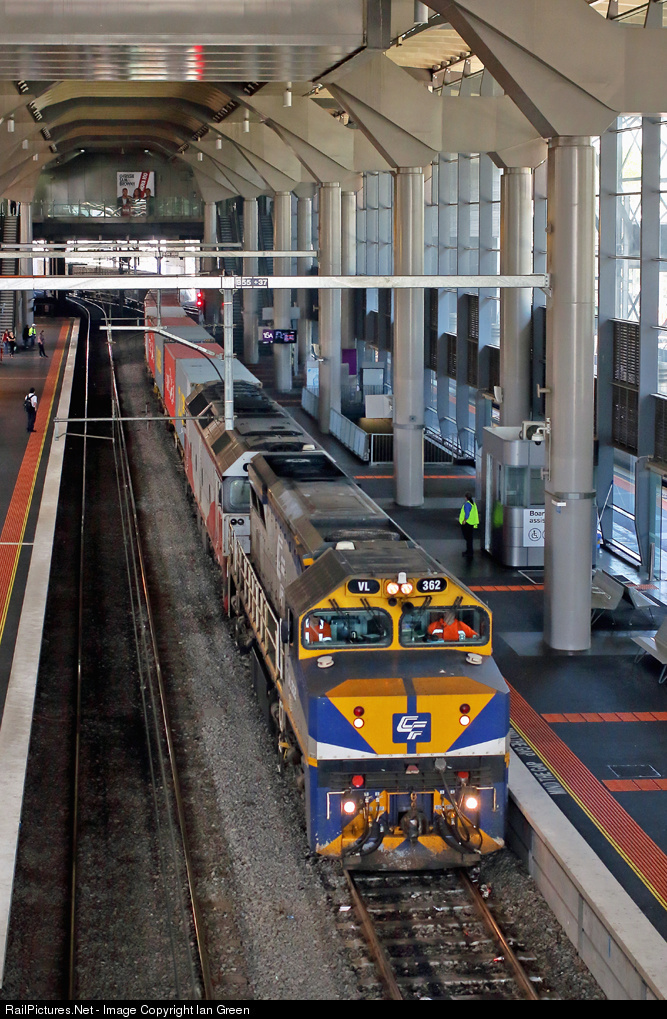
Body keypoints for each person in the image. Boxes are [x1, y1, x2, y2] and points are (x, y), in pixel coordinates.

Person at [459, 491, 479, 560]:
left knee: (467, 538)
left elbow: (467, 514)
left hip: (467, 523)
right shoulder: (473, 504)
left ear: (466, 498)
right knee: (470, 538)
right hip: (471, 523)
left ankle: (469, 552)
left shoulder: (467, 504)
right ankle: (469, 551)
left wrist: (464, 520)